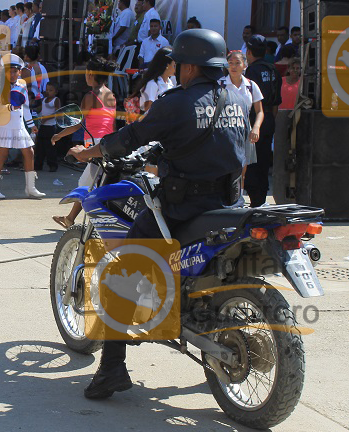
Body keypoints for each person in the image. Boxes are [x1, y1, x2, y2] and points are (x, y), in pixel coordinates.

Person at [67, 29, 247, 399]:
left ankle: (112, 367)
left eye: (180, 64)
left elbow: (133, 136)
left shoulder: (177, 101)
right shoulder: (235, 98)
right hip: (229, 206)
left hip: (184, 207)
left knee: (119, 271)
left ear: (191, 66)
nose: (178, 70)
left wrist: (91, 153)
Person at [50, 57, 116, 228]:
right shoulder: (110, 94)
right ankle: (70, 218)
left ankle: (73, 220)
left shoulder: (90, 96)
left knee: (85, 185)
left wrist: (59, 135)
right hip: (109, 143)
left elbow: (78, 124)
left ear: (91, 74)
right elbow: (112, 124)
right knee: (93, 184)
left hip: (95, 145)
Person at [0, 53, 44, 199]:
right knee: (2, 154)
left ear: (20, 71)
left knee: (29, 152)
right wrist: (10, 108)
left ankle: (30, 188)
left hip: (19, 125)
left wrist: (31, 125)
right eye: (9, 71)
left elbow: (25, 107)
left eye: (15, 71)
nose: (12, 74)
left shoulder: (23, 84)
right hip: (4, 124)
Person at [245, 36, 281, 207]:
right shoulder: (273, 69)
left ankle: (254, 199)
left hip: (254, 121)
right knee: (264, 161)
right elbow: (276, 103)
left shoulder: (251, 71)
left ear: (249, 52)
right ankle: (261, 197)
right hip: (268, 120)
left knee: (252, 161)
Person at [221, 50, 264, 186]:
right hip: (225, 129)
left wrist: (256, 127)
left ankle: (238, 199)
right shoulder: (220, 85)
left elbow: (260, 111)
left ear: (245, 65)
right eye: (230, 63)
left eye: (237, 63)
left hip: (245, 128)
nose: (233, 66)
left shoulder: (251, 86)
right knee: (224, 167)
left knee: (242, 169)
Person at [132, 47, 176, 113]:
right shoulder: (152, 84)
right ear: (167, 65)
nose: (177, 68)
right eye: (174, 65)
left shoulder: (170, 83)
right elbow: (148, 110)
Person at [35, 81, 60, 171]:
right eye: (47, 90)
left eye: (50, 90)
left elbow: (58, 112)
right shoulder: (44, 99)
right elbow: (40, 109)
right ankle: (38, 165)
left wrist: (47, 118)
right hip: (43, 126)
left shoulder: (56, 100)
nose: (48, 92)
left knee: (50, 147)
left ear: (55, 92)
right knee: (40, 147)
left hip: (51, 127)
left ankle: (52, 165)